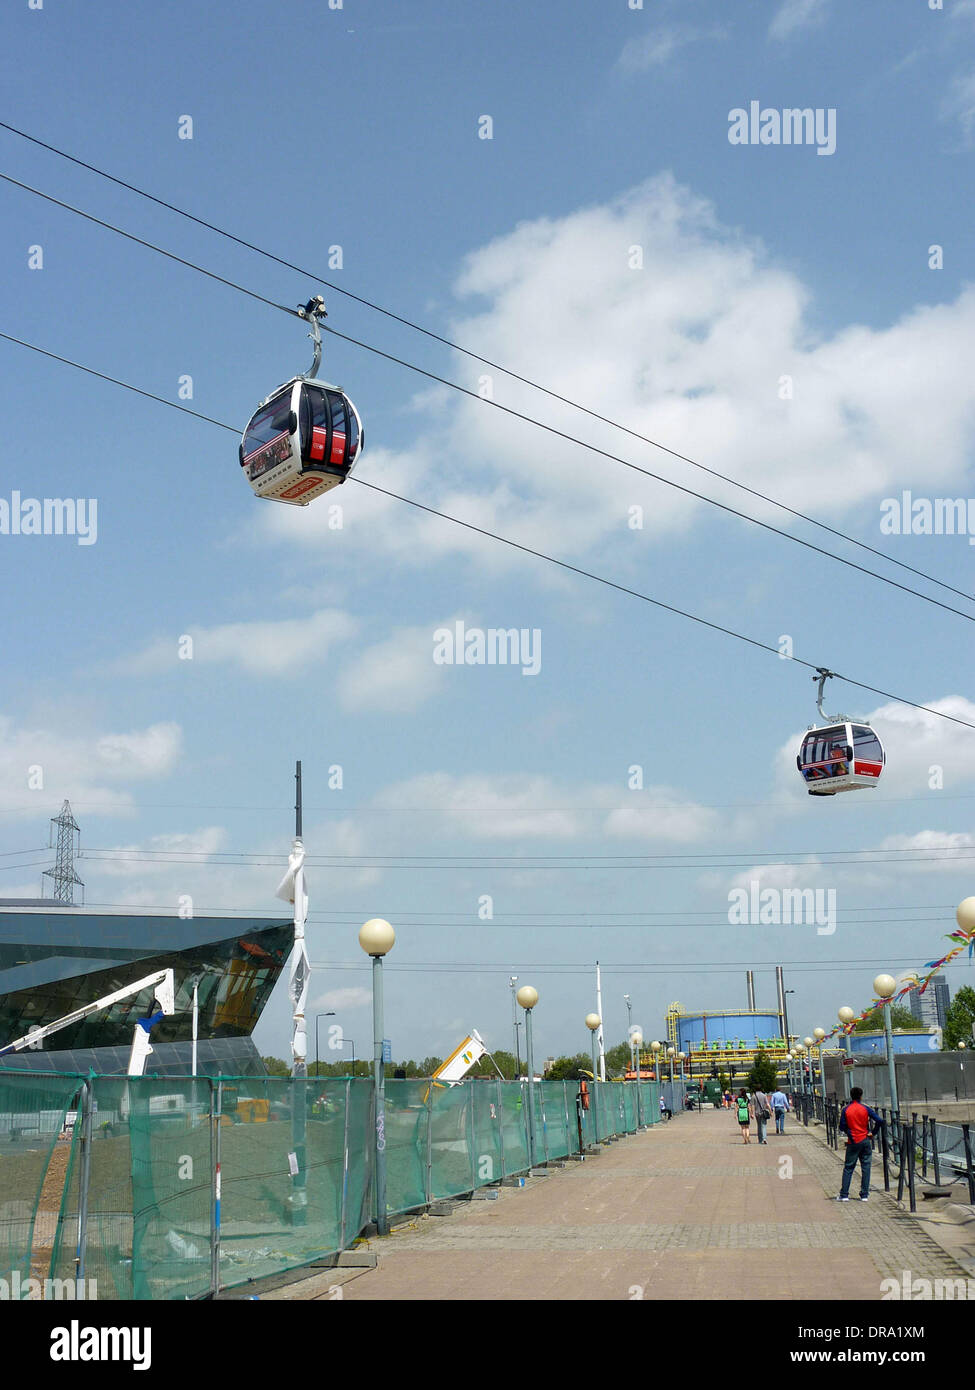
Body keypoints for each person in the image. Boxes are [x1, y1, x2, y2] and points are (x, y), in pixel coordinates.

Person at [837, 1086, 885, 1201]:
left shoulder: (846, 1109)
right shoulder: (865, 1108)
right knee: (866, 1167)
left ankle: (844, 1195)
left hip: (853, 1141)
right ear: (861, 1096)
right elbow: (879, 1120)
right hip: (865, 1139)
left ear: (851, 1095)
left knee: (848, 1167)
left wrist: (849, 1133)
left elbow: (841, 1126)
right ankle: (864, 1195)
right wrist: (873, 1133)